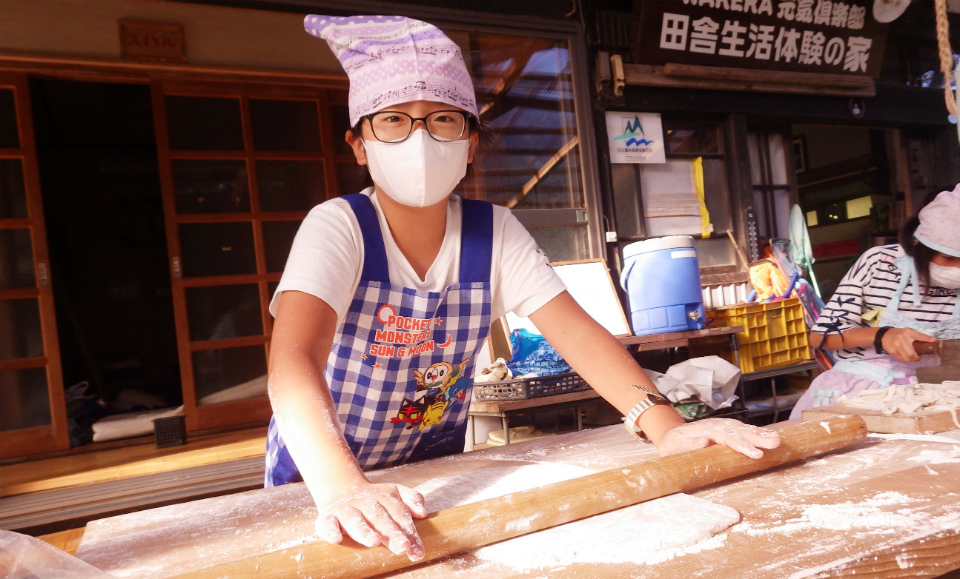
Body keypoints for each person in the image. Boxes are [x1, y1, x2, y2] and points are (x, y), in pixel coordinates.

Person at [266, 14, 781, 563]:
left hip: (433, 466)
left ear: (470, 145)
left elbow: (577, 335)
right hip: (320, 475)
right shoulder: (339, 226)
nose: (419, 139)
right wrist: (343, 487)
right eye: (392, 121)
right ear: (359, 146)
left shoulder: (494, 231)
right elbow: (293, 358)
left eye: (443, 120)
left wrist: (666, 428)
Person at [790, 185, 960, 418]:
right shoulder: (880, 263)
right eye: (949, 258)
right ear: (920, 244)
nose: (956, 269)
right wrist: (882, 335)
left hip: (942, 398)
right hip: (861, 393)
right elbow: (820, 337)